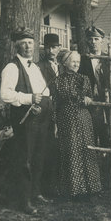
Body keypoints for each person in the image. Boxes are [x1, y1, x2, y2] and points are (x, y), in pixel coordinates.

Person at [0, 27, 53, 214]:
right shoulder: (12, 67)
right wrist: (29, 99)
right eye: (23, 43)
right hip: (25, 122)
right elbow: (5, 94)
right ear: (16, 46)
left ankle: (35, 192)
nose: (28, 46)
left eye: (30, 42)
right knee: (25, 159)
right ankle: (23, 201)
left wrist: (46, 102)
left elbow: (43, 91)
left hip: (41, 120)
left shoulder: (36, 66)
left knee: (39, 156)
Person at [53, 50, 102, 198]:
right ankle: (73, 189)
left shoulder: (84, 78)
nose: (76, 64)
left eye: (78, 62)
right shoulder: (57, 81)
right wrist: (55, 122)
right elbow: (59, 99)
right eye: (73, 61)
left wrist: (87, 99)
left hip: (82, 117)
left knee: (86, 148)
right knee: (72, 149)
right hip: (66, 118)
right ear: (65, 62)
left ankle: (91, 187)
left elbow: (88, 97)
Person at [78, 26, 111, 188]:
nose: (93, 42)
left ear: (102, 41)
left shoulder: (109, 59)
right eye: (90, 39)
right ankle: (91, 173)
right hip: (89, 104)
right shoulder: (82, 60)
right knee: (90, 135)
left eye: (96, 39)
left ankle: (107, 172)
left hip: (106, 103)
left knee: (106, 133)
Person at [37, 33, 62, 199]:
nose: (51, 50)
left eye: (54, 47)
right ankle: (47, 187)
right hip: (48, 110)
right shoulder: (39, 67)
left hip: (63, 108)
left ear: (59, 48)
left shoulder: (63, 65)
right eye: (48, 47)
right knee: (49, 148)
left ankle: (62, 184)